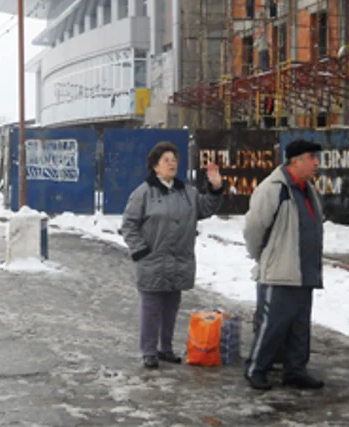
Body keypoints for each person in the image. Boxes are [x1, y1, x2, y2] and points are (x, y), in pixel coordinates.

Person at [121, 142, 223, 369]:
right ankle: (148, 351)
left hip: (178, 261)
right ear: (155, 166)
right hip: (152, 261)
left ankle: (165, 348)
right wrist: (140, 251)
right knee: (151, 309)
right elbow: (128, 225)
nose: (172, 163)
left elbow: (205, 208)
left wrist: (215, 188)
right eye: (166, 160)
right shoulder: (143, 193)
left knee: (171, 307)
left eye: (174, 160)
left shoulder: (186, 192)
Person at [243, 139, 325, 390]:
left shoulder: (307, 189)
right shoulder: (273, 188)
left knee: (300, 326)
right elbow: (253, 230)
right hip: (281, 271)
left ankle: (296, 370)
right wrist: (266, 258)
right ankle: (256, 369)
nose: (316, 163)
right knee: (272, 325)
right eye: (312, 157)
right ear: (295, 160)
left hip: (304, 271)